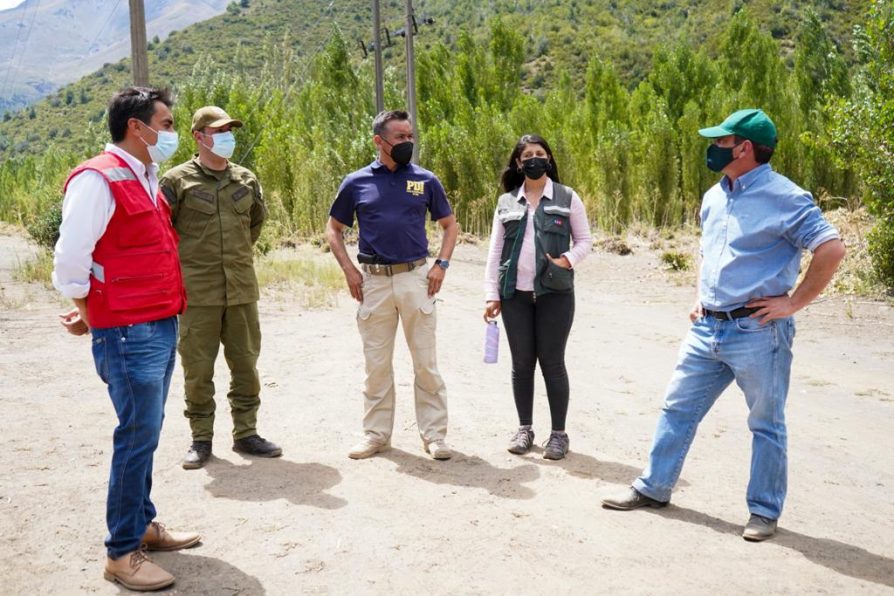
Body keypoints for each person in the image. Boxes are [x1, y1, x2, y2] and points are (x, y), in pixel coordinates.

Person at [601, 109, 846, 542]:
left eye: (720, 141)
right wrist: (702, 294)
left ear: (744, 148)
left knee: (765, 423)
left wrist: (793, 302)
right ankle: (654, 488)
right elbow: (710, 250)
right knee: (677, 409)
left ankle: (764, 512)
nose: (713, 148)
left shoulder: (786, 197)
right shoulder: (716, 195)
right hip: (707, 329)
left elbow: (831, 249)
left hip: (757, 331)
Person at [53, 87, 200, 591]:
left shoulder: (145, 176)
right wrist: (89, 313)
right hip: (129, 331)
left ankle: (141, 524)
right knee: (135, 436)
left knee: (147, 432)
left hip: (157, 322)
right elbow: (71, 259)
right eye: (167, 121)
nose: (171, 131)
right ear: (138, 127)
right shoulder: (98, 178)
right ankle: (121, 553)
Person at [325, 109, 459, 460]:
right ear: (378, 141)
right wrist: (349, 271)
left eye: (410, 136)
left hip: (416, 278)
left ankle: (434, 436)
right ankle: (376, 435)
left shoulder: (426, 180)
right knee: (377, 364)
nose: (407, 143)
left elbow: (450, 225)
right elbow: (333, 229)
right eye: (400, 137)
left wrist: (440, 265)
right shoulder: (356, 182)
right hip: (374, 282)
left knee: (425, 363)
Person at [160, 106, 281, 470]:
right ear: (199, 136)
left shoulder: (245, 179)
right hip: (197, 293)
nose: (227, 136)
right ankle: (201, 438)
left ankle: (246, 433)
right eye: (219, 130)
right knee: (198, 369)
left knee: (246, 364)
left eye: (230, 129)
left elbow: (255, 225)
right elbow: (161, 233)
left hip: (241, 289)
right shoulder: (175, 181)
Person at [483, 134, 593, 460]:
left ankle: (559, 435)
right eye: (527, 154)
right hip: (515, 295)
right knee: (521, 364)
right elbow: (495, 253)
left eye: (540, 153)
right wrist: (492, 295)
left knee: (552, 362)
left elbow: (585, 240)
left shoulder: (567, 196)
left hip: (555, 294)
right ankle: (525, 430)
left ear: (549, 158)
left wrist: (567, 260)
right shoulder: (506, 203)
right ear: (518, 163)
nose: (534, 158)